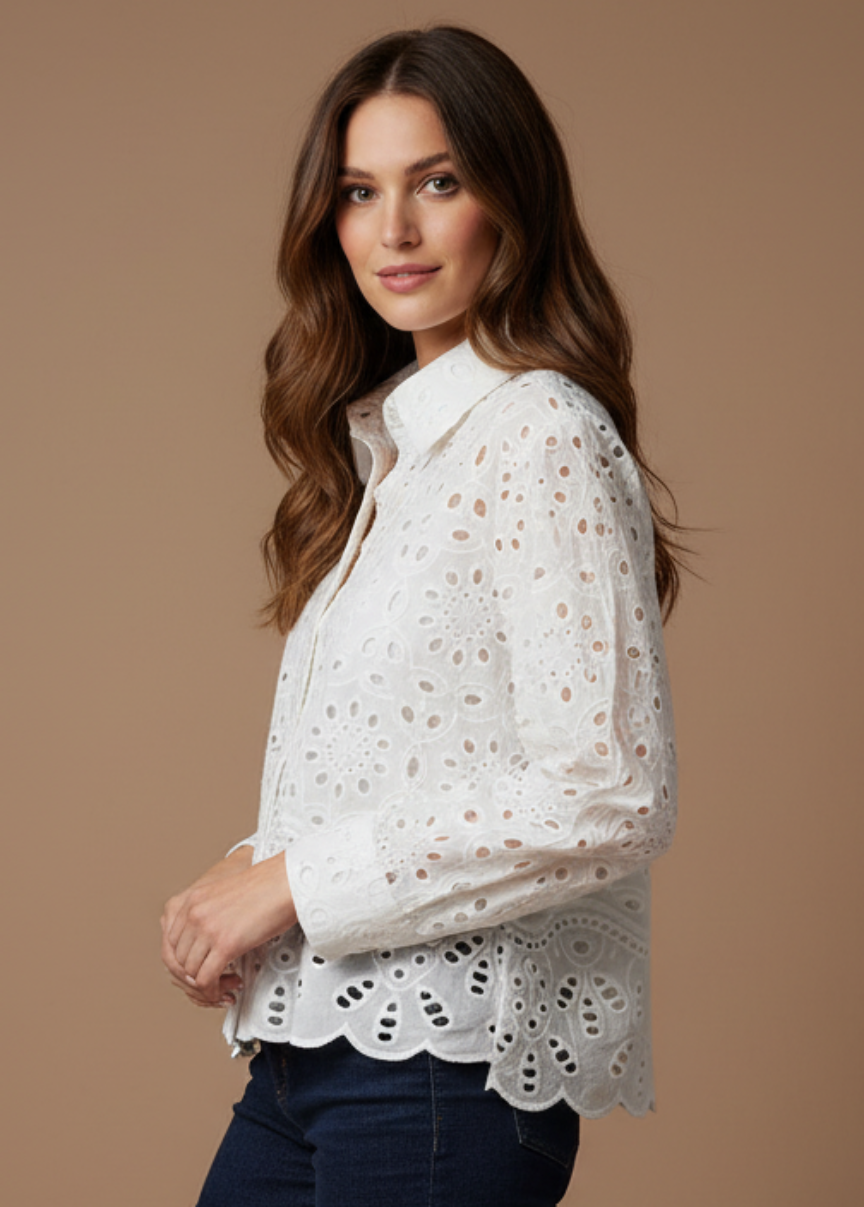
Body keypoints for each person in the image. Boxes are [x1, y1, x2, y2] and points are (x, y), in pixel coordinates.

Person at [161, 25, 682, 1207]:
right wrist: (247, 880)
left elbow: (608, 785)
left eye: (436, 183)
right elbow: (419, 760)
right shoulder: (395, 457)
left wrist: (290, 884)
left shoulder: (538, 429)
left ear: (511, 198)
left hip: (447, 1075)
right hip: (315, 1054)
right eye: (360, 192)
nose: (391, 231)